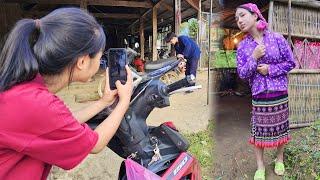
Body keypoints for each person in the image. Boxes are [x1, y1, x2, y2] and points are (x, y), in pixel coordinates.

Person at [0, 8, 133, 179]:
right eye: (100, 58)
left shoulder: (27, 88)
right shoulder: (38, 104)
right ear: (83, 61)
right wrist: (123, 103)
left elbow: (59, 124)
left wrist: (104, 101)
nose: (100, 63)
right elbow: (95, 143)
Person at [235, 3, 295, 180]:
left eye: (242, 15)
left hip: (279, 92)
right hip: (259, 94)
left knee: (281, 128)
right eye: (237, 18)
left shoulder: (276, 38)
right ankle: (260, 166)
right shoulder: (244, 46)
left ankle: (279, 159)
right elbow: (242, 73)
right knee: (258, 131)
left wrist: (270, 69)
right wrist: (253, 57)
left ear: (255, 16)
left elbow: (290, 63)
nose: (239, 20)